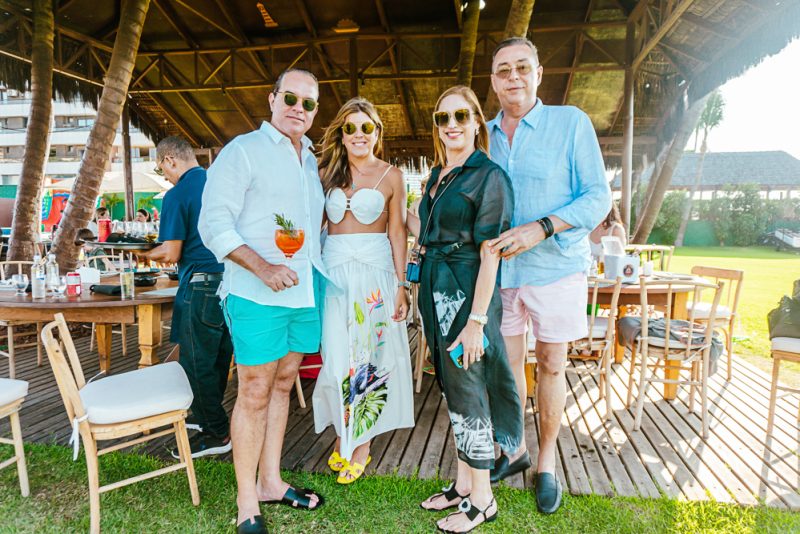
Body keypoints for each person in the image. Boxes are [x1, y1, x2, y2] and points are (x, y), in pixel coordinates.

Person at [484, 37, 612, 514]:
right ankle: (514, 449)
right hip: (501, 274)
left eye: (522, 67)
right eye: (503, 70)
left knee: (553, 366)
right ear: (493, 81)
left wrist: (541, 228)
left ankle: (547, 463)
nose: (513, 76)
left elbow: (597, 198)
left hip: (556, 267)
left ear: (539, 72)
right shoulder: (484, 133)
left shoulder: (570, 122)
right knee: (510, 367)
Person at [198, 68, 327, 534]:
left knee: (284, 382)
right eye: (290, 98)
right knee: (253, 390)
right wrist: (264, 267)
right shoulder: (243, 151)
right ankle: (246, 498)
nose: (298, 108)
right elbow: (213, 224)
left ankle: (271, 480)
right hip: (255, 291)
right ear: (272, 99)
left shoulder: (311, 160)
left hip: (305, 290)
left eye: (308, 103)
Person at [408, 86, 523, 533]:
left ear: (477, 120)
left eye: (460, 115)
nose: (451, 124)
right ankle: (461, 486)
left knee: (470, 390)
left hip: (466, 296)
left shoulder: (489, 176)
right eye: (442, 118)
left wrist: (476, 323)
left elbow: (491, 252)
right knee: (453, 390)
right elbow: (427, 235)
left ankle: (484, 499)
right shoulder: (439, 174)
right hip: (434, 291)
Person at [312, 97, 413, 485]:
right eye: (350, 127)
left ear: (376, 133)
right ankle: (344, 432)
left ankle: (362, 442)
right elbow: (314, 225)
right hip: (335, 274)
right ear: (342, 132)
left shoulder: (392, 175)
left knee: (370, 358)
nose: (358, 134)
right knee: (337, 357)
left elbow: (397, 232)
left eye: (366, 128)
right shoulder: (326, 173)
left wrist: (402, 285)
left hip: (375, 276)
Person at [138, 136, 233, 460]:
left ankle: (216, 430)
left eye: (162, 168)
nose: (165, 175)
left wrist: (141, 251)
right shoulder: (219, 183)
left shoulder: (177, 194)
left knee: (195, 362)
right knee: (219, 357)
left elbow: (172, 250)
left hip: (200, 285)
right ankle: (208, 419)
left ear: (169, 161)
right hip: (230, 283)